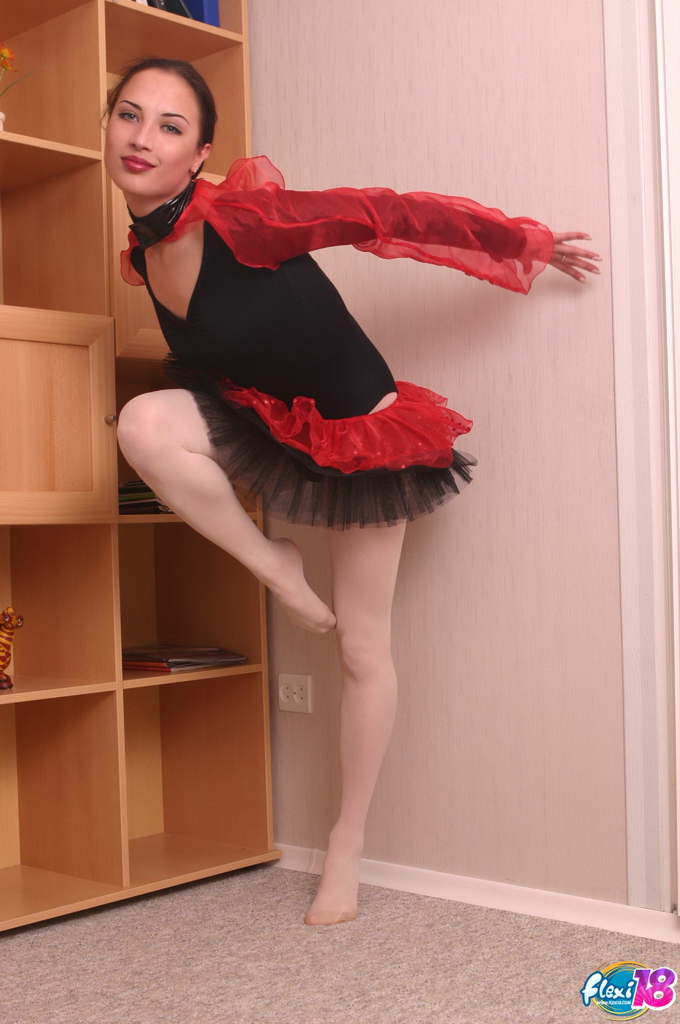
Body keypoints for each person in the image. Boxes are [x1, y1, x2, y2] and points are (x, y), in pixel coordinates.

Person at [102, 57, 601, 926]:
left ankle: (346, 842)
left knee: (363, 649)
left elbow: (388, 213)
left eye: (169, 126)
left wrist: (524, 242)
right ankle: (276, 565)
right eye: (128, 115)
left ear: (200, 153)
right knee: (142, 422)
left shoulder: (248, 216)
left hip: (359, 430)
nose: (142, 138)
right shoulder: (145, 253)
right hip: (268, 418)